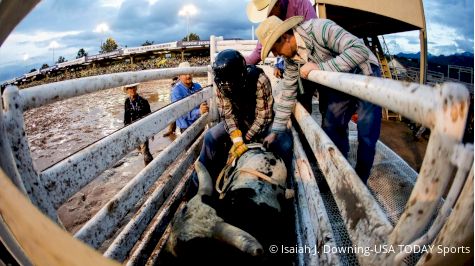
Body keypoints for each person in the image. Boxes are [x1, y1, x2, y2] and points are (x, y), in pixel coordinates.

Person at [256, 16, 382, 183]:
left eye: (274, 48)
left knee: (367, 133)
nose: (276, 54)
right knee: (332, 127)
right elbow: (288, 93)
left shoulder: (320, 29)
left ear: (285, 37)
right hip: (340, 78)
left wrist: (320, 68)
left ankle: (361, 181)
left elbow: (359, 50)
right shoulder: (291, 60)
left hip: (366, 72)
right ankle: (339, 176)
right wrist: (276, 131)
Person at [199, 49, 292, 180]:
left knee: (285, 143)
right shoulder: (220, 84)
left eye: (230, 81)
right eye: (224, 81)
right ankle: (198, 184)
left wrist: (246, 139)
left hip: (262, 123)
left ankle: (288, 182)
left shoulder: (260, 80)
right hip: (239, 122)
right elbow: (227, 114)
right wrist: (237, 139)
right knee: (210, 137)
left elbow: (264, 116)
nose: (227, 86)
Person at [246, 0, 324, 116]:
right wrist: (237, 63)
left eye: (268, 13)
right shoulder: (272, 22)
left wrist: (317, 65)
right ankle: (303, 130)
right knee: (300, 104)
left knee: (330, 112)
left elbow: (314, 35)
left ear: (276, 3)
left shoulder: (300, 3)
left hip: (320, 59)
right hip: (297, 64)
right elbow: (260, 51)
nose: (266, 18)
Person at [170, 62, 209, 133]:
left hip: (199, 123)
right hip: (186, 128)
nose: (188, 76)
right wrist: (199, 111)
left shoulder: (198, 86)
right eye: (185, 74)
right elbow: (181, 112)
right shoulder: (176, 91)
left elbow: (204, 101)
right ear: (179, 76)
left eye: (190, 73)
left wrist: (204, 106)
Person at [123, 83, 154, 166]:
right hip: (133, 129)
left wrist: (151, 131)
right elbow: (126, 116)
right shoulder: (127, 102)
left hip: (143, 129)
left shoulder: (143, 101)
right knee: (140, 149)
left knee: (145, 150)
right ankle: (150, 162)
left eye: (133, 88)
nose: (132, 90)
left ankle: (149, 167)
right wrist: (125, 130)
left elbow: (149, 116)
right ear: (127, 90)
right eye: (130, 88)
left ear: (136, 88)